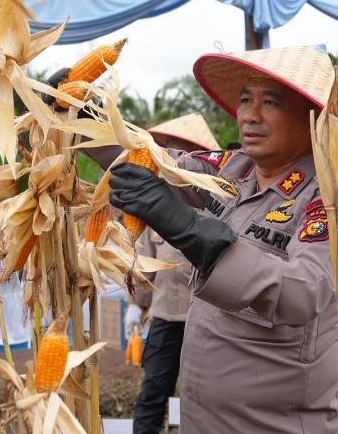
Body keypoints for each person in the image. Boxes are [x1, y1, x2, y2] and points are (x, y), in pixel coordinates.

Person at [77, 45, 338, 433]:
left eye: (271, 102)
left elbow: (304, 292)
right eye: (246, 99)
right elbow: (148, 159)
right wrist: (84, 120)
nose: (249, 115)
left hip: (275, 425)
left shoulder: (335, 198)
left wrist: (196, 232)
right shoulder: (233, 170)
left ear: (313, 118)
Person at [124, 113, 220, 434]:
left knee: (206, 396)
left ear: (197, 153)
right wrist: (136, 304)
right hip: (166, 315)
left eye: (179, 148)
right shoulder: (155, 201)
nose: (170, 154)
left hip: (206, 318)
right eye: (167, 147)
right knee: (153, 391)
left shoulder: (217, 200)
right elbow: (145, 261)